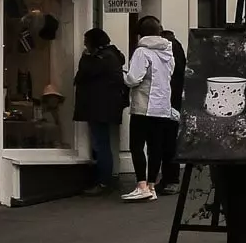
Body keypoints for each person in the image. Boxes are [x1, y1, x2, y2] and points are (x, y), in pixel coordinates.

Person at [122, 16, 179, 201]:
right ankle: (152, 186)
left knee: (137, 146)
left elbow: (133, 79)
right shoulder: (168, 52)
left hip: (144, 106)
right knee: (156, 147)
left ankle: (141, 185)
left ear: (140, 33)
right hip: (162, 106)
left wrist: (123, 75)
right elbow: (169, 74)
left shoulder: (142, 51)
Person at [73, 27, 128, 193]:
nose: (84, 44)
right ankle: (107, 179)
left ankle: (103, 182)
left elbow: (83, 73)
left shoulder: (99, 58)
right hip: (107, 107)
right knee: (104, 143)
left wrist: (85, 57)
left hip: (98, 107)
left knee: (101, 144)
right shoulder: (112, 56)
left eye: (86, 40)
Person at [155, 25, 187, 194]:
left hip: (169, 101)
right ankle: (168, 178)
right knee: (168, 142)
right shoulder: (176, 47)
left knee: (167, 142)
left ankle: (171, 179)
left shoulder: (170, 48)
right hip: (173, 101)